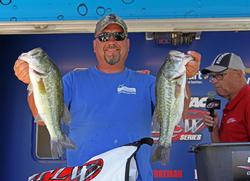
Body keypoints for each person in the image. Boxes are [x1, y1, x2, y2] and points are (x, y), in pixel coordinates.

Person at [14, 14, 201, 181]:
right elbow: (40, 116)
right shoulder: (73, 80)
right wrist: (31, 83)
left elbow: (180, 110)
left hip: (135, 176)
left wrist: (185, 79)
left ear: (127, 44)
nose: (111, 41)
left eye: (118, 36)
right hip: (85, 176)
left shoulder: (148, 82)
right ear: (95, 45)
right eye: (104, 36)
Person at [201, 52, 250, 143]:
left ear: (239, 73)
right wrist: (214, 129)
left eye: (220, 75)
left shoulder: (248, 101)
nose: (214, 81)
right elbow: (221, 152)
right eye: (212, 77)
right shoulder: (232, 105)